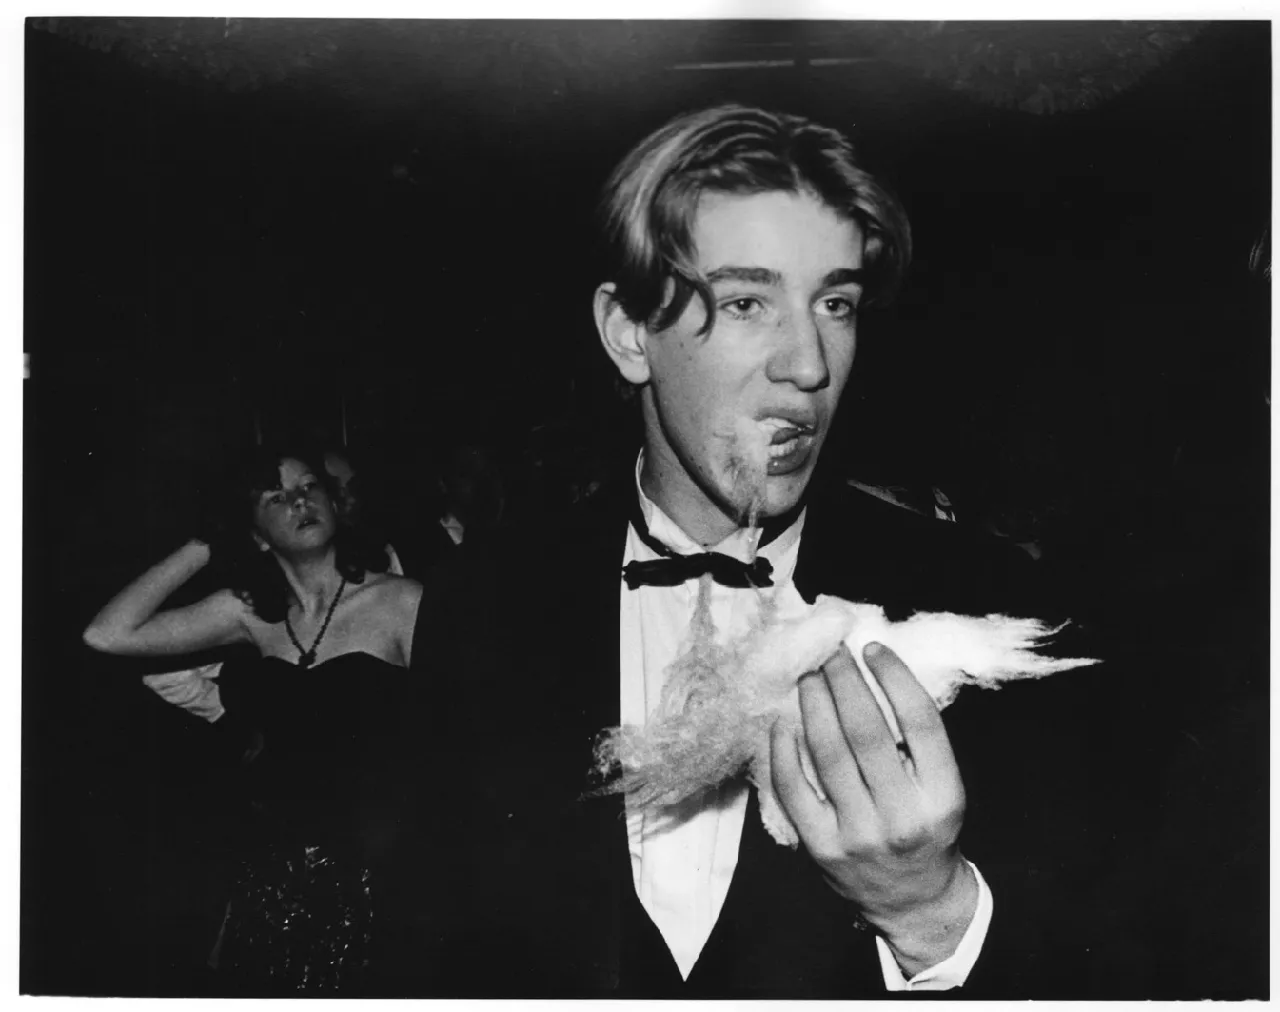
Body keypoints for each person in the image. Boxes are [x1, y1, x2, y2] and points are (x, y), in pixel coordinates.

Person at [403, 104, 1116, 998]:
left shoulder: (989, 601)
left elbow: (1114, 959)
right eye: (747, 301)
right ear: (630, 334)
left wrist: (929, 916)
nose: (811, 365)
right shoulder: (484, 603)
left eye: (836, 303)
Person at [84, 445, 423, 995]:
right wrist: (208, 541)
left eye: (310, 486)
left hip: (387, 870)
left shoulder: (402, 601)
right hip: (279, 873)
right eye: (276, 495)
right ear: (256, 533)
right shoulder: (249, 612)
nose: (300, 500)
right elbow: (107, 634)